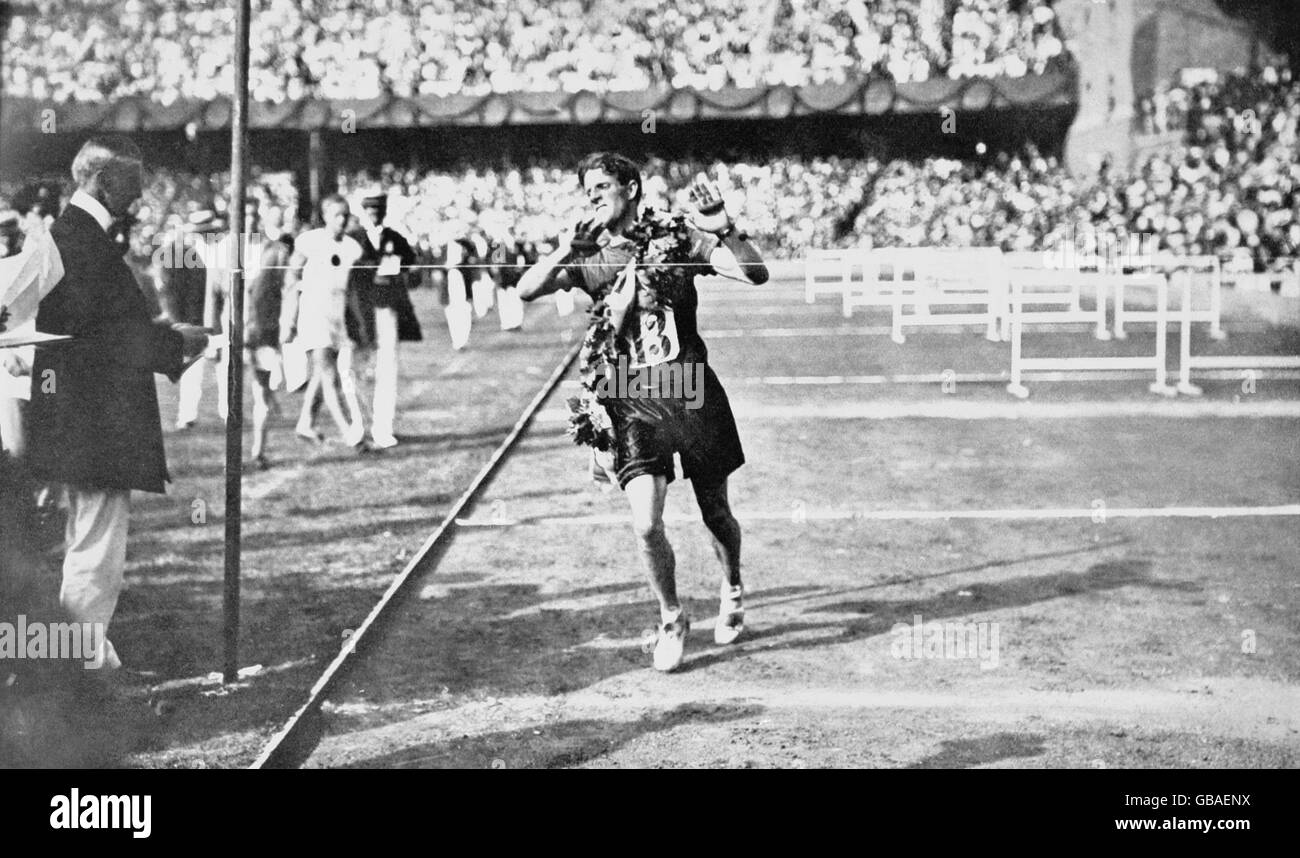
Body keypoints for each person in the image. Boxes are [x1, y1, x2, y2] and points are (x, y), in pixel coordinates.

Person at [518, 152, 769, 672]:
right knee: (645, 522)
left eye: (603, 186)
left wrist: (728, 230)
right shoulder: (589, 255)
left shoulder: (677, 236)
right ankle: (672, 616)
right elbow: (524, 289)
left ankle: (733, 585)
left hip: (689, 385)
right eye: (587, 190)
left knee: (714, 511)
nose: (593, 197)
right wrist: (566, 246)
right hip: (630, 393)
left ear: (630, 188)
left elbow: (755, 274)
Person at [10, 136, 210, 670]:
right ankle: (78, 662)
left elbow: (92, 329)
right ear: (103, 180)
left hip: (78, 417)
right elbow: (113, 337)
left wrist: (163, 337)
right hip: (94, 421)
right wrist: (177, 343)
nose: (141, 195)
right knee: (97, 548)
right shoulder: (77, 241)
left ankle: (90, 655)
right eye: (133, 183)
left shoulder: (73, 238)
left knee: (88, 539)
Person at [206, 201, 294, 469]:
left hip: (264, 334)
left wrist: (288, 324)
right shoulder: (222, 251)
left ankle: (258, 451)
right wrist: (210, 336)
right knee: (228, 401)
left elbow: (289, 291)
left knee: (263, 394)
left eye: (255, 215)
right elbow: (213, 296)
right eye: (244, 215)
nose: (250, 220)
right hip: (231, 335)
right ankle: (233, 453)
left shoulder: (276, 251)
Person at [280, 194, 367, 449]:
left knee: (322, 372)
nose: (342, 220)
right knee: (328, 375)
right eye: (336, 215)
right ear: (325, 216)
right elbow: (290, 277)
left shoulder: (352, 248)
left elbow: (350, 288)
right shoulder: (310, 241)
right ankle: (351, 433)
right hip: (313, 312)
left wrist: (357, 320)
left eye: (345, 214)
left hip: (336, 315)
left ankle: (305, 423)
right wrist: (289, 317)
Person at [346, 191, 422, 449]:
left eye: (378, 210)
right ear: (363, 212)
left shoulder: (395, 238)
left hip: (387, 309)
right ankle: (358, 424)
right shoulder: (352, 239)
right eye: (370, 210)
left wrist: (403, 274)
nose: (374, 214)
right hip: (359, 312)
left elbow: (413, 270)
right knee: (351, 368)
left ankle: (383, 428)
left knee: (387, 370)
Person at [155, 210, 223, 429]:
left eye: (208, 232)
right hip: (192, 316)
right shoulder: (179, 253)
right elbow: (170, 290)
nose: (204, 236)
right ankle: (187, 415)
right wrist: (178, 320)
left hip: (218, 315)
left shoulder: (219, 253)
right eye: (201, 232)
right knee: (192, 367)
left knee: (224, 366)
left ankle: (228, 412)